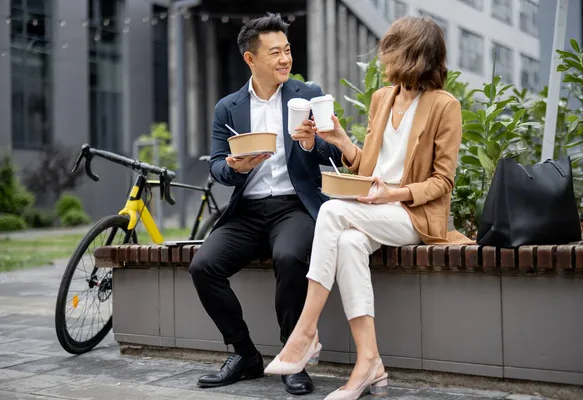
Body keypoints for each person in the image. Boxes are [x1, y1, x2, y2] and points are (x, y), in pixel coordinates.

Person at [264, 15, 472, 399]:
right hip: (375, 209)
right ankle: (369, 363)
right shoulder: (382, 98)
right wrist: (341, 139)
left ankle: (305, 332)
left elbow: (442, 183)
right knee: (347, 244)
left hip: (413, 216)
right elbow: (367, 167)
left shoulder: (445, 106)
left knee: (331, 211)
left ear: (412, 55)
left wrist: (391, 194)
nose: (383, 57)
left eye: (391, 50)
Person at [188, 13, 342, 396]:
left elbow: (333, 150)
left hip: (294, 206)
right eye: (274, 52)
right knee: (203, 266)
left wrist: (311, 143)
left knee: (290, 258)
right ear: (250, 59)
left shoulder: (307, 94)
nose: (285, 59)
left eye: (287, 50)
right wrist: (235, 167)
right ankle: (244, 355)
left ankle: (294, 356)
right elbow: (218, 165)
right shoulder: (228, 108)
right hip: (247, 210)